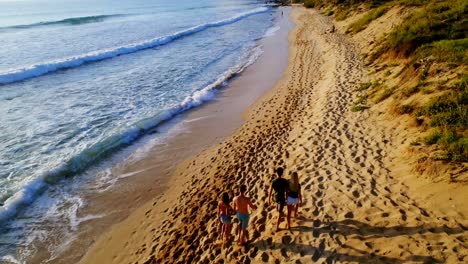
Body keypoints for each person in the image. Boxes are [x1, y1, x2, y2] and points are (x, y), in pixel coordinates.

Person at [268, 167, 289, 231]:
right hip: (281, 197)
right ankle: (277, 227)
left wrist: (269, 199)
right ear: (282, 173)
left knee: (278, 203)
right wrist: (287, 198)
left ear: (276, 173)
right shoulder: (284, 181)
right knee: (280, 212)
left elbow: (270, 191)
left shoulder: (274, 181)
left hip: (275, 197)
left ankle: (278, 207)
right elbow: (286, 191)